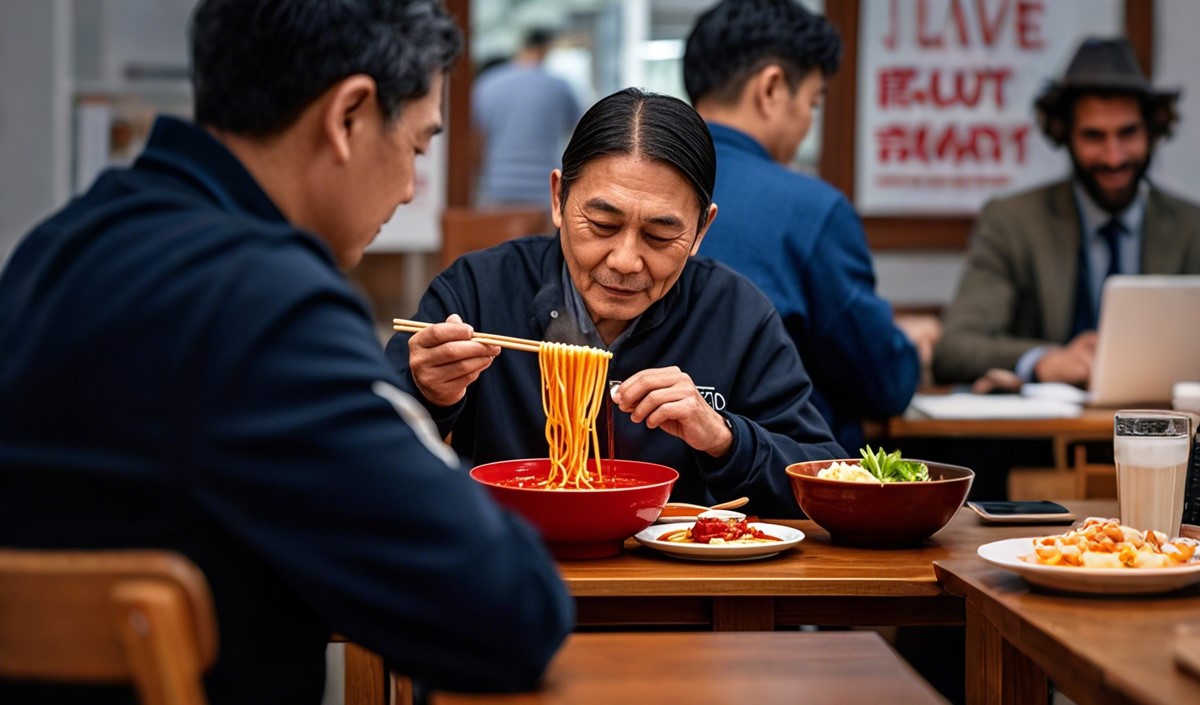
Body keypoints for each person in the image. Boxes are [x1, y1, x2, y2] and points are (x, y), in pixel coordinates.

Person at [0, 1, 572, 702]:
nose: (407, 187)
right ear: (350, 116)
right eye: (418, 149)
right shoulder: (264, 302)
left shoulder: (51, 252)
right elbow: (510, 610)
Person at [387, 88, 843, 519]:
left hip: (674, 589)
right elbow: (364, 459)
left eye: (660, 235)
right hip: (512, 573)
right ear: (558, 199)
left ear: (702, 230)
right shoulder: (475, 292)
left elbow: (829, 480)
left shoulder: (736, 315)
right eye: (603, 224)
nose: (625, 261)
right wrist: (428, 395)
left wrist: (724, 437)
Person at [683, 0, 940, 453]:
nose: (807, 124)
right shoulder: (811, 209)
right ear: (772, 88)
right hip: (785, 488)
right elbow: (883, 384)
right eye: (813, 102)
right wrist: (908, 344)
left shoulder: (639, 195)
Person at [934, 36, 1200, 388]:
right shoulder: (1012, 222)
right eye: (1093, 136)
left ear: (1153, 131)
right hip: (1044, 439)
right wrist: (1043, 360)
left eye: (1128, 133)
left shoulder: (1191, 227)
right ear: (1065, 135)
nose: (1114, 156)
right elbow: (955, 348)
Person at [472, 27, 584, 206]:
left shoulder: (487, 84)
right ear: (546, 49)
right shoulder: (560, 87)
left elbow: (476, 141)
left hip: (498, 186)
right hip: (545, 189)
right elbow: (581, 134)